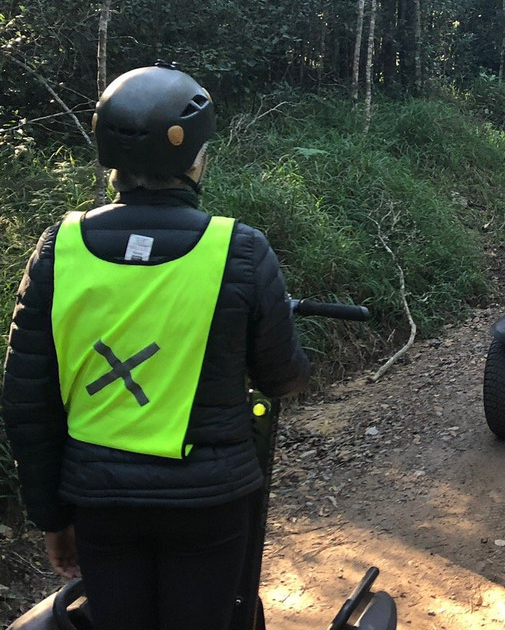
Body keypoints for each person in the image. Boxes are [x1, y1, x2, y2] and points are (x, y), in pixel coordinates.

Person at [2, 63, 311, 630]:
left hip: (100, 504)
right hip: (208, 502)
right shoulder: (239, 250)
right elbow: (280, 376)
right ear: (194, 158)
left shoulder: (57, 249)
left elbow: (26, 401)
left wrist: (51, 515)